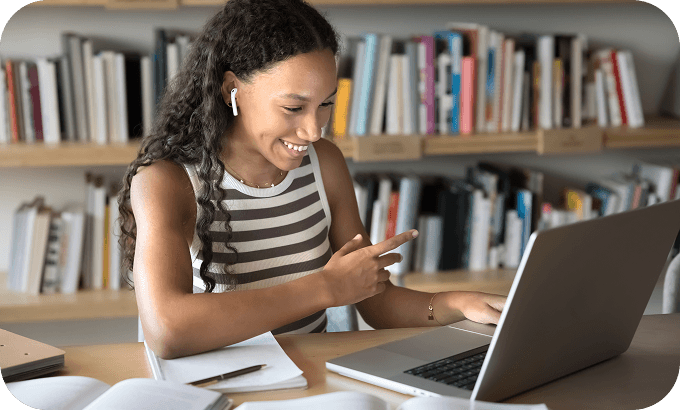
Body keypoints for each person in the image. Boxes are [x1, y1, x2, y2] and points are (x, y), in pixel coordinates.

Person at [118, 0, 506, 360]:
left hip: (313, 381)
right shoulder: (168, 181)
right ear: (231, 89)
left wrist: (456, 302)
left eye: (325, 104)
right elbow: (167, 329)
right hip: (218, 388)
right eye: (293, 107)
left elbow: (375, 301)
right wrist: (324, 288)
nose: (313, 131)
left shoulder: (324, 165)